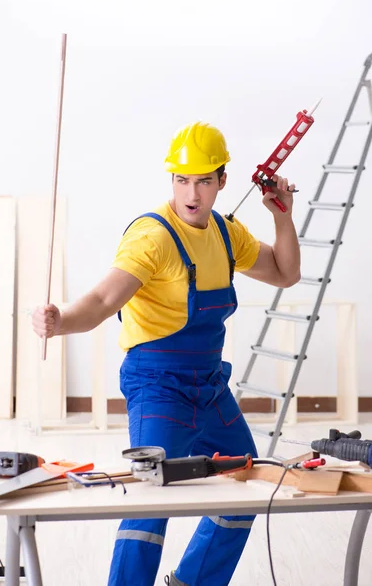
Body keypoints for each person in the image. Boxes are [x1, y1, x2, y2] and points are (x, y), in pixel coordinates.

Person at [32, 121, 300, 586]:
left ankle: (190, 582)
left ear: (222, 181)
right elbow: (100, 302)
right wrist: (60, 321)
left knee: (248, 482)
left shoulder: (225, 232)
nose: (191, 192)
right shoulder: (152, 236)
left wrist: (281, 214)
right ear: (171, 180)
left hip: (210, 384)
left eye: (202, 180)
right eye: (181, 180)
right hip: (157, 383)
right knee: (151, 505)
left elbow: (284, 273)